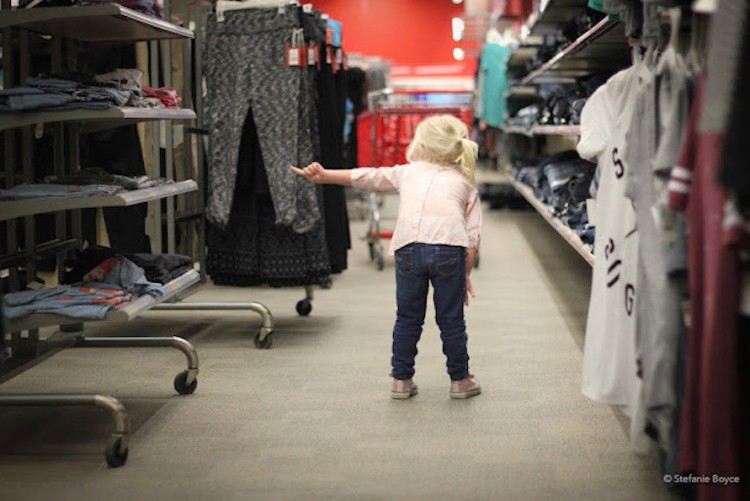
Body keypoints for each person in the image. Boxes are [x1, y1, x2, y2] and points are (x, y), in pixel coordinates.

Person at [291, 114, 482, 400]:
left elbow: (369, 177)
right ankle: (460, 381)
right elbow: (472, 237)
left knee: (407, 318)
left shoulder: (408, 172)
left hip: (408, 249)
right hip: (448, 249)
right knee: (451, 319)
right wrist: (463, 275)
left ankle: (401, 381)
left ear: (422, 144)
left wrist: (325, 175)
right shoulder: (465, 183)